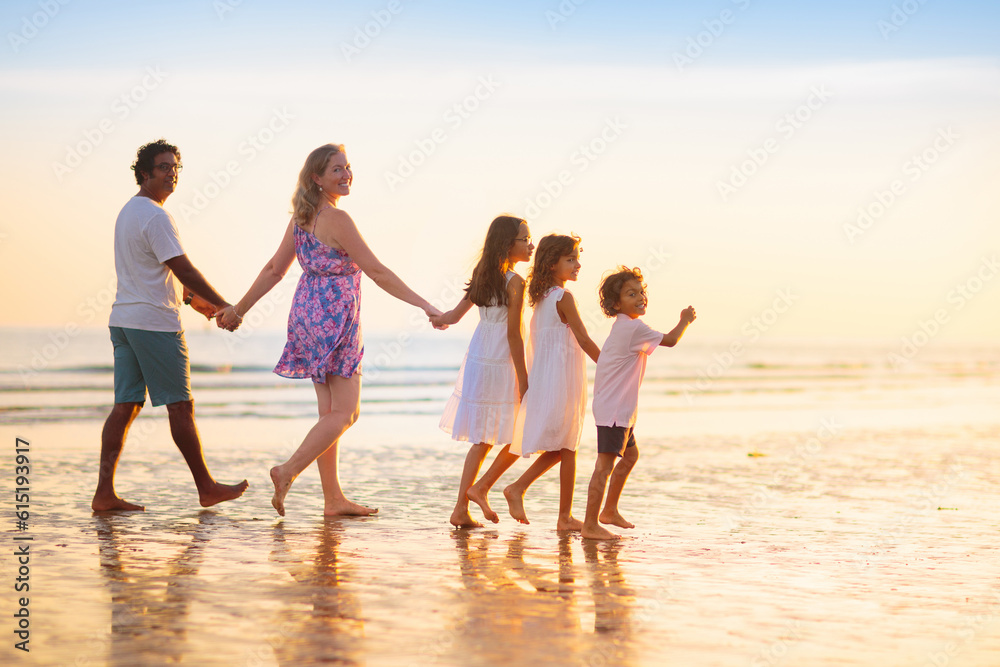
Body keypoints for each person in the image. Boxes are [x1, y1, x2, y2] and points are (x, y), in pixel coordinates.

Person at [216, 143, 442, 516]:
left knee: (329, 415)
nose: (346, 174)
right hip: (335, 319)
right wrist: (425, 306)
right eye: (336, 169)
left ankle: (333, 500)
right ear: (317, 178)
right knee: (347, 414)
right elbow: (378, 271)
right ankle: (287, 470)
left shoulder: (301, 219)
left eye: (348, 167)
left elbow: (275, 270)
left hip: (307, 316)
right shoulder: (338, 220)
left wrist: (239, 310)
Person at [92, 139, 249, 512]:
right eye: (164, 167)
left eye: (176, 168)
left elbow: (150, 272)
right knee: (180, 406)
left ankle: (104, 494)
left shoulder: (129, 212)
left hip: (124, 321)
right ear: (144, 173)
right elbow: (184, 268)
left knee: (126, 406)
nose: (172, 174)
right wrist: (227, 304)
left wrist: (194, 301)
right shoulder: (156, 216)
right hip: (154, 325)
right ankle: (206, 487)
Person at [431, 215, 534, 528]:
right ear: (507, 244)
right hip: (502, 359)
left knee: (483, 439)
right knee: (524, 430)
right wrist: (525, 379)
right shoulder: (515, 281)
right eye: (525, 240)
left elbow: (455, 315)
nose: (531, 246)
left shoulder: (483, 275)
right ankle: (481, 491)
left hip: (480, 357)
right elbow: (514, 335)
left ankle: (462, 507)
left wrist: (438, 318)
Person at [581, 267, 696, 540]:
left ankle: (609, 510)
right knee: (604, 467)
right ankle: (589, 524)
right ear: (616, 304)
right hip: (614, 411)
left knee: (631, 455)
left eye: (641, 292)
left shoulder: (626, 327)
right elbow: (669, 340)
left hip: (620, 409)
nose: (640, 297)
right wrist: (685, 320)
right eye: (631, 294)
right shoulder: (633, 328)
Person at [501, 234, 600, 531]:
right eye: (570, 259)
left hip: (547, 378)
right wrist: (610, 367)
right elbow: (583, 339)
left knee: (564, 447)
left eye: (577, 257)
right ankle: (559, 514)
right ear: (551, 263)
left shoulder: (541, 299)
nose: (578, 264)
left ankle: (533, 497)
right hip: (561, 382)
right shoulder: (563, 298)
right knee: (567, 446)